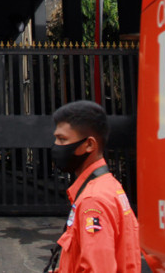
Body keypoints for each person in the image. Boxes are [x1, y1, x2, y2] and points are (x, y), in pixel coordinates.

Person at [47, 101, 140, 273]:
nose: (56, 145)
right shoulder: (109, 186)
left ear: (89, 144)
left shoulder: (93, 201)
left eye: (62, 139)